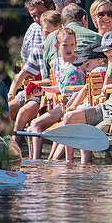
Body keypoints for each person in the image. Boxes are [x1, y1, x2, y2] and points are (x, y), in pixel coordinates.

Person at [59, 32, 112, 159]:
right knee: (69, 117)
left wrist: (111, 87)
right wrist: (103, 93)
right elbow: (108, 81)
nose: (109, 59)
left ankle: (86, 167)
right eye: (107, 56)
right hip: (106, 107)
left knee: (87, 136)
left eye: (111, 55)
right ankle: (69, 162)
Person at [25, 27, 84, 159]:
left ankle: (41, 159)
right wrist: (42, 89)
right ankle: (36, 159)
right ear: (57, 46)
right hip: (62, 104)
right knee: (34, 124)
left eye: (72, 45)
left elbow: (86, 86)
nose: (69, 49)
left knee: (36, 124)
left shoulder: (81, 62)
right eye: (65, 45)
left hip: (75, 102)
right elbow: (59, 87)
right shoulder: (55, 63)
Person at [7, 0, 55, 126]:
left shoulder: (62, 36)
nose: (38, 19)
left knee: (24, 112)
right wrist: (12, 91)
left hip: (48, 89)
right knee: (7, 109)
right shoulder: (33, 30)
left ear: (51, 8)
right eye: (34, 16)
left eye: (41, 13)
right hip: (34, 85)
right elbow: (25, 62)